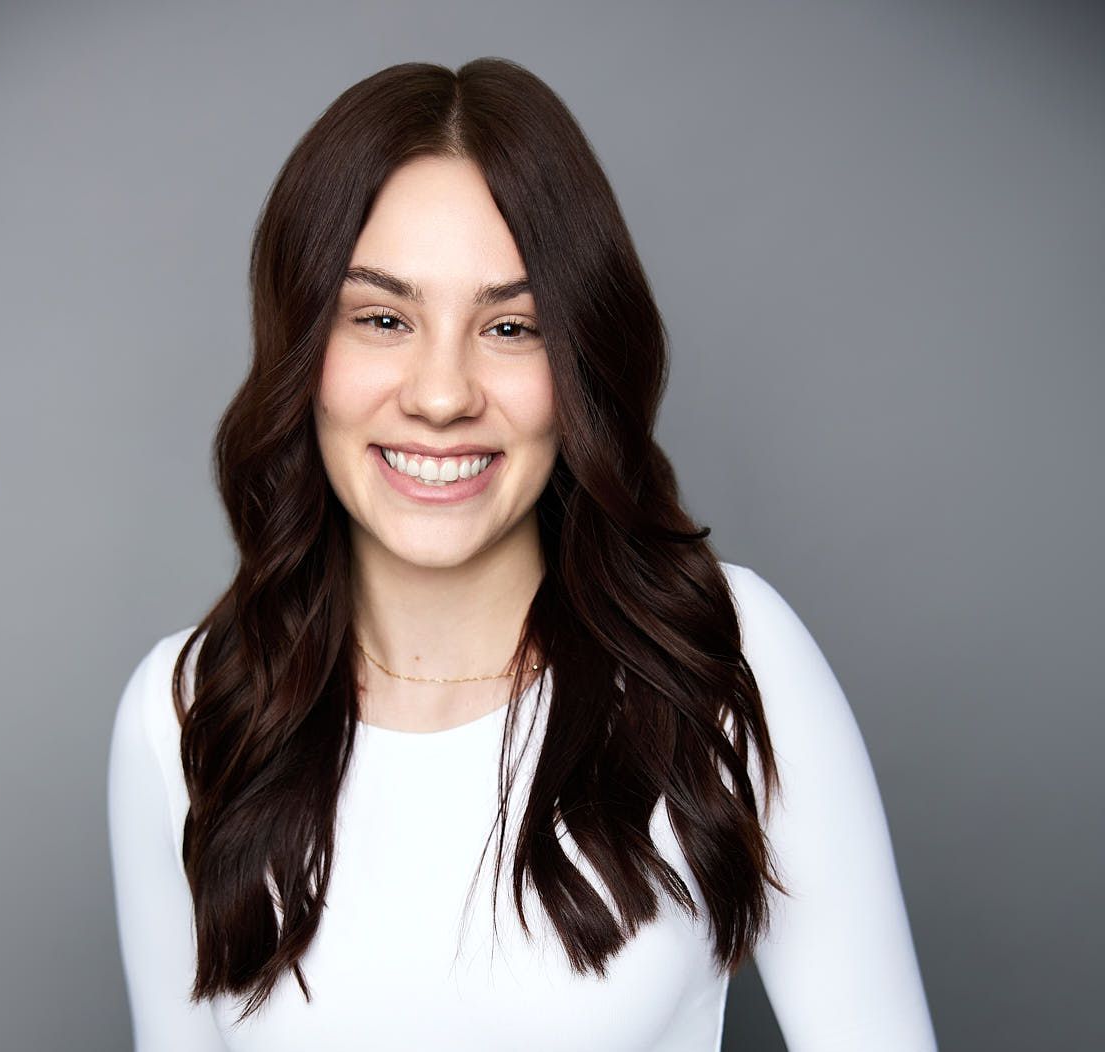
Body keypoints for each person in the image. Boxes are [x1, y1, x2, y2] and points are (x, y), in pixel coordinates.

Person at [107, 57, 939, 1051]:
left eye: (511, 325)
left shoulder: (722, 661)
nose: (444, 392)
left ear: (578, 361)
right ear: (302, 350)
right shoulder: (184, 713)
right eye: (383, 317)